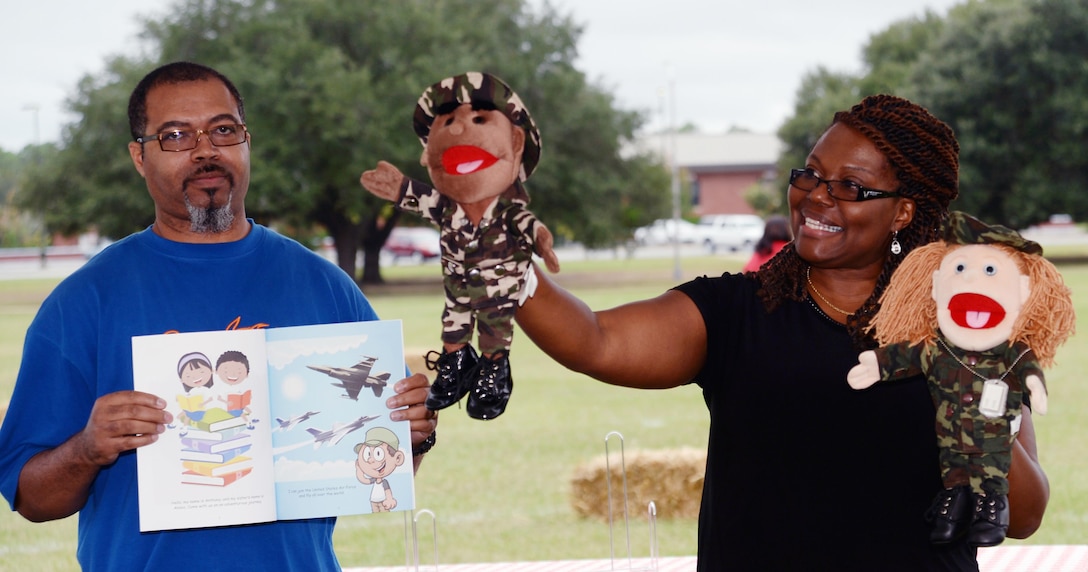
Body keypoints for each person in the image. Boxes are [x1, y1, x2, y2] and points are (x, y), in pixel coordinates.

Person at [515, 94, 1049, 571]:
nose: (817, 195)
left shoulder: (970, 329)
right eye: (811, 174)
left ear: (903, 212)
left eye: (851, 187)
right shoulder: (735, 313)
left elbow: (1023, 516)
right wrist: (498, 260)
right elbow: (593, 340)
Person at [0, 61, 438, 571]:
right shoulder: (84, 300)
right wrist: (88, 448)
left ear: (246, 142)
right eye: (175, 136)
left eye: (223, 129)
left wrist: (416, 431)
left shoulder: (323, 287)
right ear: (139, 157)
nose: (205, 150)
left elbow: (386, 457)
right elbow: (30, 498)